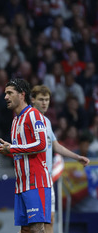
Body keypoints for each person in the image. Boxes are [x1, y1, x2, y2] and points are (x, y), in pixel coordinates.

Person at [0, 78, 51, 233]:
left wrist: (13, 148)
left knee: (37, 229)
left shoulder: (33, 115)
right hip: (21, 185)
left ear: (22, 95)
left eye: (10, 93)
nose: (5, 97)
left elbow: (42, 144)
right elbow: (15, 153)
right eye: (5, 93)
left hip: (36, 182)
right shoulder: (15, 121)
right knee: (25, 230)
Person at [30, 85, 90, 233]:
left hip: (48, 180)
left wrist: (77, 157)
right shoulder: (28, 121)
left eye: (47, 100)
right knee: (33, 225)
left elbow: (55, 146)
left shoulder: (47, 121)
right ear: (32, 100)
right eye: (41, 100)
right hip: (34, 180)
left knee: (50, 221)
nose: (44, 103)